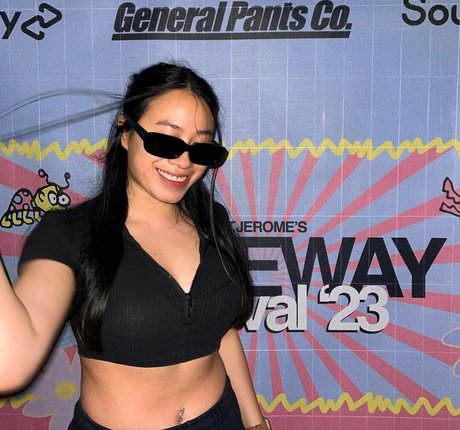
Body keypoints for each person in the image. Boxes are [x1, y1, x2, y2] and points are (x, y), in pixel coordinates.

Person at [0, 62, 272, 430]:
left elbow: (220, 333)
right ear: (126, 132)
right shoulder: (69, 235)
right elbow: (9, 367)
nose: (183, 162)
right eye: (166, 141)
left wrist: (255, 422)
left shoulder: (212, 222)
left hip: (222, 418)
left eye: (201, 150)